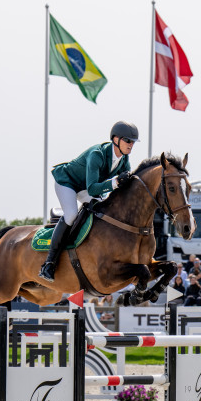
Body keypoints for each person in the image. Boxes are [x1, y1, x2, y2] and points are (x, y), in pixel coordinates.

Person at [40, 120, 138, 282]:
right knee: (71, 214)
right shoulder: (97, 155)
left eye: (133, 142)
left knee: (102, 212)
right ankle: (49, 263)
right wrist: (115, 182)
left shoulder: (124, 160)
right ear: (116, 139)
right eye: (127, 140)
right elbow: (93, 189)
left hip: (85, 187)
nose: (130, 145)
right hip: (68, 183)